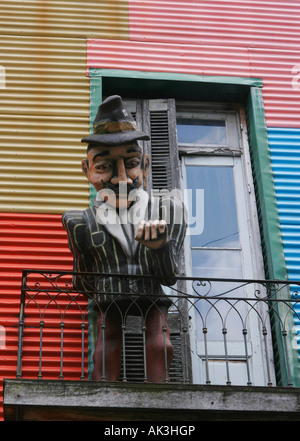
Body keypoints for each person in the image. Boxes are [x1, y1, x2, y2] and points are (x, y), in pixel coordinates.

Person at [62, 95, 186, 382]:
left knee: (160, 342)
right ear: (86, 170)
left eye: (130, 163)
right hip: (109, 296)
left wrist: (159, 248)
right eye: (104, 167)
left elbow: (170, 277)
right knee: (107, 343)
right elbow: (83, 282)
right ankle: (103, 394)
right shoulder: (79, 222)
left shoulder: (169, 209)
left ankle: (159, 396)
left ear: (145, 165)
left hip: (152, 293)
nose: (121, 179)